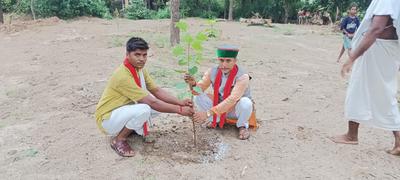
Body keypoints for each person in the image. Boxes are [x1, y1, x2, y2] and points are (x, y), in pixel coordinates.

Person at [95, 37, 194, 157]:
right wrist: (180, 110)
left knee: (154, 107)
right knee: (145, 108)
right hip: (108, 119)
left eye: (144, 55)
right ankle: (119, 139)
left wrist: (180, 102)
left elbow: (156, 90)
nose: (142, 59)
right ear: (127, 54)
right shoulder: (122, 76)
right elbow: (152, 102)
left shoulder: (139, 70)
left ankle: (130, 129)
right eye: (137, 55)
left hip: (121, 111)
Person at [331, 0, 400, 156]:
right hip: (386, 49)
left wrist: (352, 57)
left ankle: (352, 135)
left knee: (373, 93)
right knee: (374, 92)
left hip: (378, 49)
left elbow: (376, 29)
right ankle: (352, 134)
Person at [184, 45, 253, 140]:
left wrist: (207, 113)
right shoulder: (212, 71)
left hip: (236, 110)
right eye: (221, 60)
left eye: (228, 61)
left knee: (246, 102)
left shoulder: (242, 76)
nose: (224, 64)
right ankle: (215, 121)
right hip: (219, 106)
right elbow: (198, 90)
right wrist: (193, 84)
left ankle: (242, 126)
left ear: (235, 61)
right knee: (198, 97)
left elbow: (232, 99)